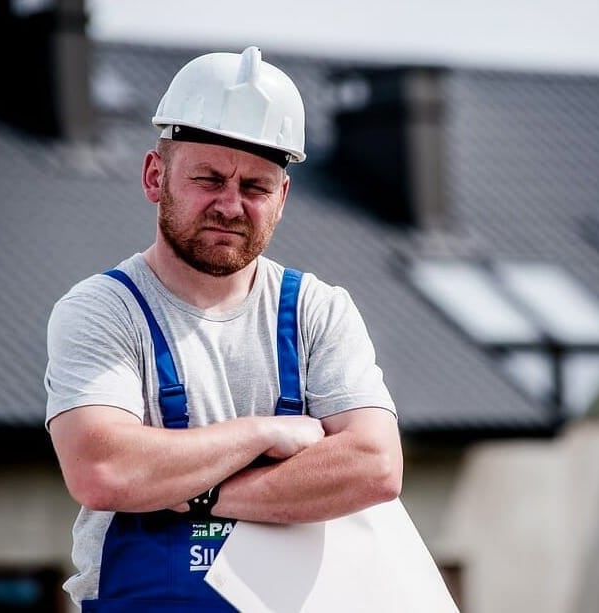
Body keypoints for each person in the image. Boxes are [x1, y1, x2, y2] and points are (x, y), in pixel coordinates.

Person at [44, 45, 403, 611]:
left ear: (282, 199)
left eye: (256, 187)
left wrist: (198, 493)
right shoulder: (103, 310)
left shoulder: (317, 310)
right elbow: (104, 469)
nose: (231, 206)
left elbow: (375, 466)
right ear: (154, 175)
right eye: (209, 178)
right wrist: (264, 436)